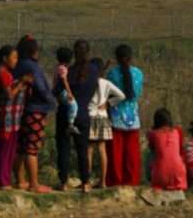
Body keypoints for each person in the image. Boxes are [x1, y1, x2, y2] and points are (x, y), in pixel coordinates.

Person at [12, 35, 56, 193]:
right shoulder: (32, 67)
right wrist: (52, 100)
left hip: (21, 109)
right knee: (32, 148)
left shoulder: (18, 65)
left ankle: (21, 180)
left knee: (21, 147)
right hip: (35, 109)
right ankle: (34, 184)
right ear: (33, 51)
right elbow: (40, 88)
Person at [55, 41, 100, 193]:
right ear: (88, 53)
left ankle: (63, 182)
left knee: (64, 149)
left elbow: (60, 93)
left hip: (65, 115)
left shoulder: (69, 71)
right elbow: (94, 89)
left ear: (74, 53)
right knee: (82, 150)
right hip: (83, 115)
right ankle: (86, 182)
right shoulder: (94, 70)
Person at [0, 45, 30, 190]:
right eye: (14, 58)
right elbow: (9, 94)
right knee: (6, 151)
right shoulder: (3, 74)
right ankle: (4, 182)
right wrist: (22, 83)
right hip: (6, 119)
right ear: (5, 59)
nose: (16, 61)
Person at [105, 44, 145, 187]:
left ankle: (116, 180)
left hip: (116, 117)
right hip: (133, 118)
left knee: (116, 153)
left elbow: (108, 94)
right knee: (132, 154)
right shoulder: (139, 73)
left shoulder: (111, 74)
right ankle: (132, 180)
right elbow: (138, 93)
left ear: (117, 58)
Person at [87, 57, 125, 189]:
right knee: (102, 150)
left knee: (89, 150)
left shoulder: (87, 81)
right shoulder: (106, 83)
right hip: (103, 117)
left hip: (90, 117)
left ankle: (87, 181)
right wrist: (108, 103)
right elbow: (121, 95)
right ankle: (102, 182)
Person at [147, 108, 187, 192]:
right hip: (178, 176)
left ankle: (151, 179)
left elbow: (151, 147)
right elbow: (180, 148)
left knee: (150, 155)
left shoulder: (152, 133)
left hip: (160, 175)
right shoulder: (178, 131)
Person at [52, 47, 80, 136]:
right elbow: (64, 81)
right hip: (62, 91)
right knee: (74, 105)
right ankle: (70, 125)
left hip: (57, 92)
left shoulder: (58, 67)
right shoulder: (63, 69)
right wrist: (69, 92)